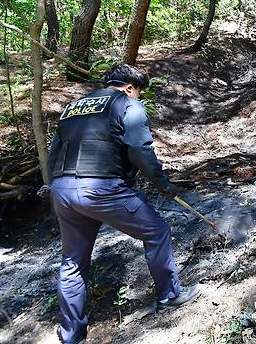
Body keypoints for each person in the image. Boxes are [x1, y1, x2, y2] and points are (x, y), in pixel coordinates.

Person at [46, 63, 201, 344]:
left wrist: (51, 185)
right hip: (101, 189)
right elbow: (140, 150)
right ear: (130, 88)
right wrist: (163, 185)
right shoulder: (128, 105)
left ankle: (72, 335)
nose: (138, 98)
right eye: (138, 93)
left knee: (72, 260)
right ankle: (170, 295)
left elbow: (54, 151)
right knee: (157, 231)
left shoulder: (74, 107)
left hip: (62, 190)